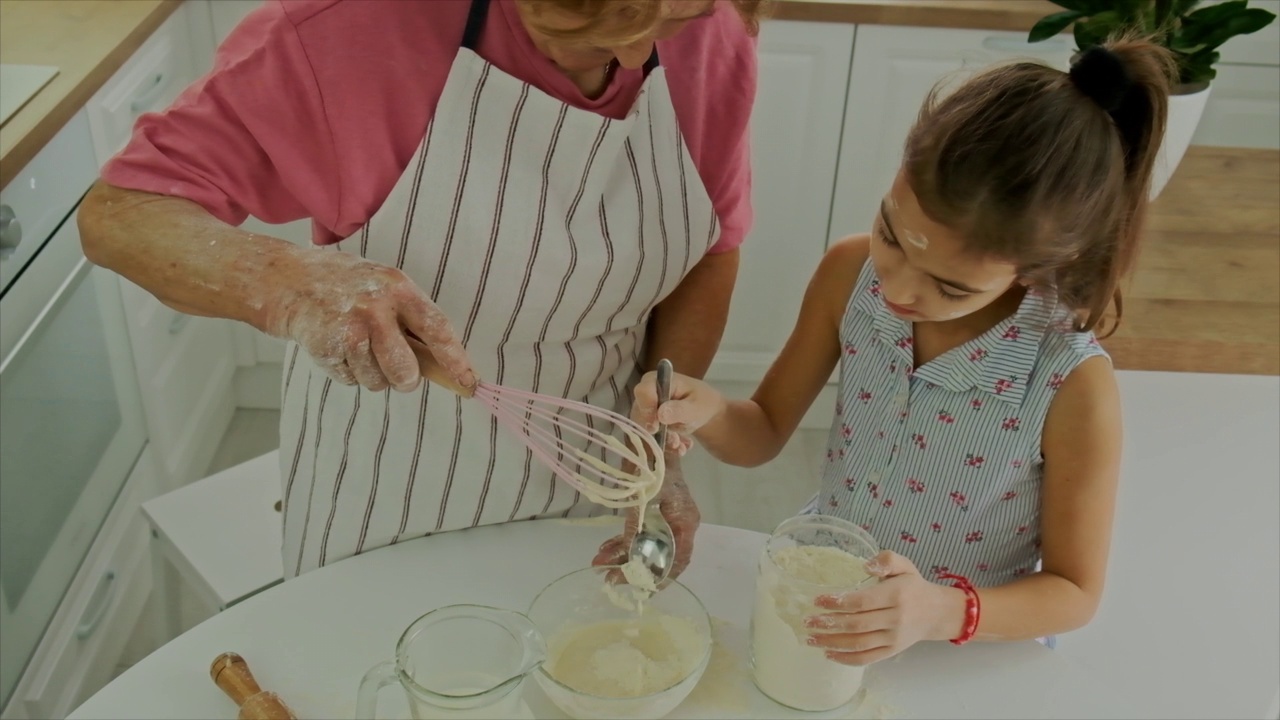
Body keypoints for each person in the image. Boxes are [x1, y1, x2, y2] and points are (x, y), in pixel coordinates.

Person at [77, 0, 769, 578]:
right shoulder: (351, 28)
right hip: (388, 479)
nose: (635, 56)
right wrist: (291, 283)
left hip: (597, 468)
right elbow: (121, 214)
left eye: (677, 17)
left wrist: (659, 434)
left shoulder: (713, 29)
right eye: (591, 29)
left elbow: (712, 249)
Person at [631, 37, 1173, 663]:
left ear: (1034, 268)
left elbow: (1074, 593)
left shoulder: (1069, 383)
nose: (896, 287)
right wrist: (710, 412)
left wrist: (938, 610)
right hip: (833, 593)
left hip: (971, 639)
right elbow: (766, 432)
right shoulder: (849, 273)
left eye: (949, 286)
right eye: (891, 233)